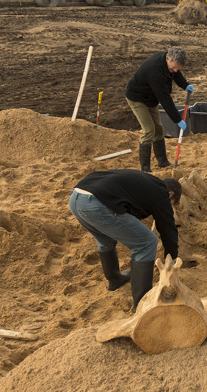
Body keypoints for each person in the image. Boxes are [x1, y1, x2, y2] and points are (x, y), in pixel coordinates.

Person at [69, 169, 182, 309]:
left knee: (105, 239)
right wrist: (172, 258)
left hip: (76, 198)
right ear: (170, 194)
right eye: (172, 203)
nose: (168, 206)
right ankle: (142, 304)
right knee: (147, 243)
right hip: (96, 204)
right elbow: (167, 228)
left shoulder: (146, 183)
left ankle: (114, 279)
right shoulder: (161, 193)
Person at [125, 47, 194, 173]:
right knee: (149, 130)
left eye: (178, 68)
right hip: (137, 98)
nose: (175, 70)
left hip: (151, 98)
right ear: (167, 59)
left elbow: (175, 73)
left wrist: (184, 84)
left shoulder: (170, 62)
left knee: (159, 129)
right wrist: (177, 119)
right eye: (173, 67)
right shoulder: (155, 70)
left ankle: (162, 161)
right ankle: (145, 168)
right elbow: (165, 99)